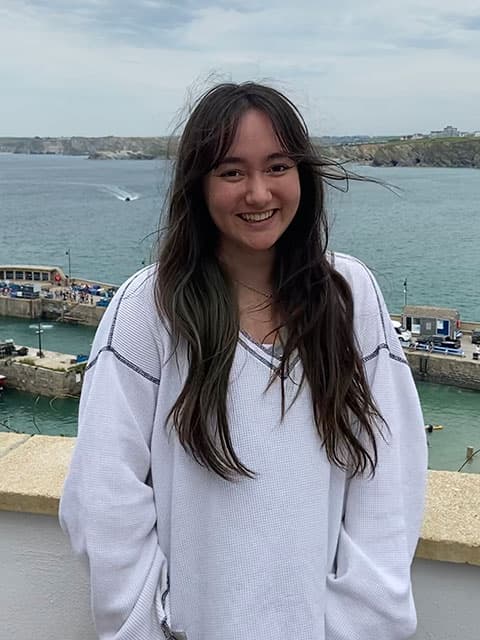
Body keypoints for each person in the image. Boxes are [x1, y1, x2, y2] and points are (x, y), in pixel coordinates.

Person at [59, 82, 428, 640]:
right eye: (232, 172)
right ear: (198, 185)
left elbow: (389, 475)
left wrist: (355, 625)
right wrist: (153, 627)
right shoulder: (148, 308)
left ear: (302, 174)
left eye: (277, 166)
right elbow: (103, 496)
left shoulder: (349, 296)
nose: (258, 193)